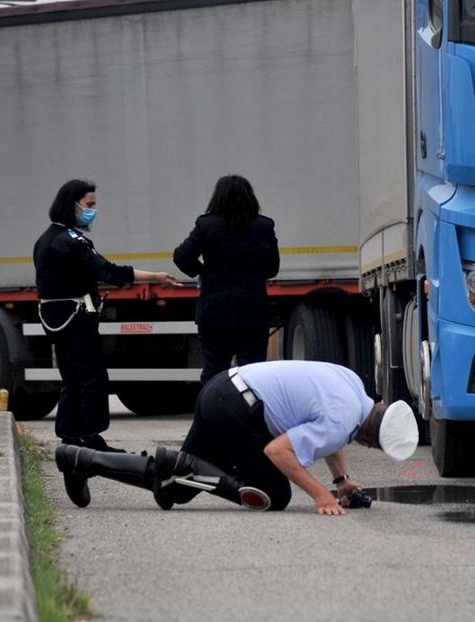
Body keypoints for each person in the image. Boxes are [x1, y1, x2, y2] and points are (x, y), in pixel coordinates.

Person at [54, 360, 419, 515]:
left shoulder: (354, 389)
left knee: (177, 488)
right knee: (274, 495)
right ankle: (185, 466)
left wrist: (340, 480)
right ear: (370, 441)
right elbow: (279, 452)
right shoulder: (343, 423)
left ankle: (79, 460)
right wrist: (322, 495)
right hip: (234, 409)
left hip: (225, 389)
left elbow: (331, 433)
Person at [34, 179, 181, 451]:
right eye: (89, 205)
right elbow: (108, 271)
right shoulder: (72, 241)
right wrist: (154, 276)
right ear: (72, 204)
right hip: (77, 318)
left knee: (71, 377)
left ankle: (69, 435)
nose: (92, 211)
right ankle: (91, 437)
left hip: (55, 318)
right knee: (92, 377)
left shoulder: (45, 239)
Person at [173, 175, 279, 390]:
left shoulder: (206, 224)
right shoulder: (264, 226)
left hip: (214, 311)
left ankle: (212, 418)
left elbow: (181, 256)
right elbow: (272, 268)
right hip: (252, 312)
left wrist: (203, 272)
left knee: (214, 371)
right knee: (254, 373)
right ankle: (252, 419)